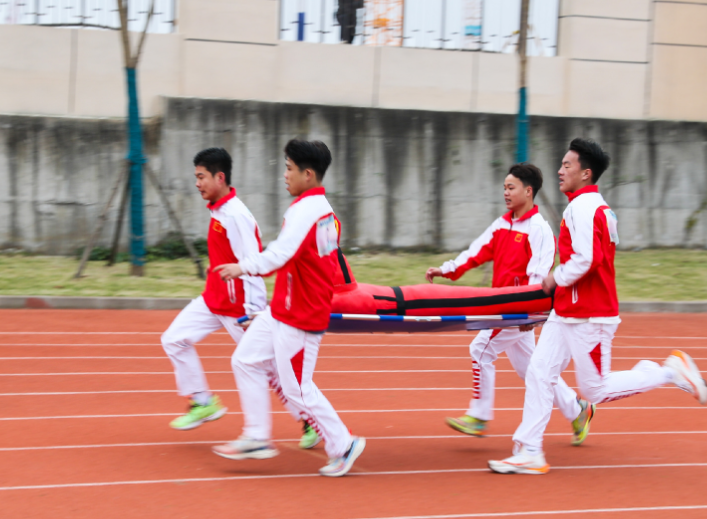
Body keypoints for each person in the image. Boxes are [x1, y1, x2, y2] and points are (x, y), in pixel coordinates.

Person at [489, 138, 707, 475]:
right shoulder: (590, 205)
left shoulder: (583, 208)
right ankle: (529, 450)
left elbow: (588, 259)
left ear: (586, 173)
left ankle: (667, 372)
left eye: (567, 166)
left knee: (595, 389)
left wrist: (553, 278)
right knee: (539, 372)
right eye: (561, 165)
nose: (560, 171)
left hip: (590, 314)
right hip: (568, 311)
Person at [211, 139, 366, 477]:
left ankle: (343, 444)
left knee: (298, 388)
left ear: (308, 174)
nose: (284, 175)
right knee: (246, 360)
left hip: (302, 314)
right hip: (282, 308)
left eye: (289, 168)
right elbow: (317, 261)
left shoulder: (309, 211)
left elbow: (281, 255)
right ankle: (256, 437)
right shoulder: (322, 211)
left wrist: (242, 267)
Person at [427, 163, 592, 444]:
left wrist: (530, 311)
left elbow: (539, 275)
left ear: (528, 192)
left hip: (518, 310)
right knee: (530, 368)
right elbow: (476, 252)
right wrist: (447, 269)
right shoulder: (503, 224)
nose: (505, 192)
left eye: (511, 187)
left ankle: (479, 416)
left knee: (480, 348)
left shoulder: (539, 230)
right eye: (504, 187)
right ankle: (577, 410)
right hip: (504, 306)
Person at [161, 148, 267, 430]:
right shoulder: (219, 210)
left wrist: (255, 310)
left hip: (239, 307)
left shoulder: (236, 215)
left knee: (266, 367)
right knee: (173, 339)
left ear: (219, 178)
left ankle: (308, 418)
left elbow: (253, 262)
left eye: (201, 177)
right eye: (196, 177)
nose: (197, 183)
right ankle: (203, 402)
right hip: (213, 300)